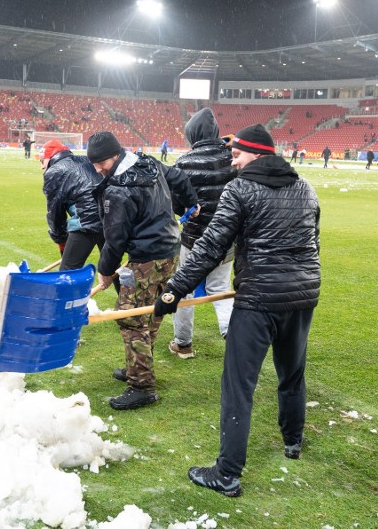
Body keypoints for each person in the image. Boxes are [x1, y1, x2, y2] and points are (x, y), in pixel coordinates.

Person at [155, 124, 320, 498]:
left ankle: (227, 473)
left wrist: (172, 292)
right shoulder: (305, 186)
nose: (232, 160)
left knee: (238, 387)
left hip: (259, 300)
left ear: (257, 154)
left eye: (237, 154)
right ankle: (292, 441)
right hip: (302, 296)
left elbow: (212, 246)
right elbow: (314, 242)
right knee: (292, 374)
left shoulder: (241, 188)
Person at [88, 131, 198, 410]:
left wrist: (106, 270)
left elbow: (115, 239)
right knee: (152, 312)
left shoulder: (118, 190)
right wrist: (191, 203)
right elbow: (180, 178)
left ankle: (142, 386)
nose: (99, 169)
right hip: (170, 249)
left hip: (147, 257)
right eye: (95, 164)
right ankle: (137, 367)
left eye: (103, 162)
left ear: (116, 154)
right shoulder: (147, 162)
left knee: (129, 318)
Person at [169, 108, 236, 359]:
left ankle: (183, 343)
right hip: (227, 237)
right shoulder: (234, 157)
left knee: (184, 288)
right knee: (220, 287)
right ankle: (232, 334)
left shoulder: (184, 162)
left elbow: (176, 205)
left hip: (194, 238)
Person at [41, 139, 104, 270]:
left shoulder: (53, 172)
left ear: (51, 156)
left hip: (87, 220)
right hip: (110, 215)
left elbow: (55, 212)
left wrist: (61, 240)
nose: (41, 166)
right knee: (112, 266)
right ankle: (129, 291)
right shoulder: (85, 159)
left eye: (42, 161)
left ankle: (68, 291)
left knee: (67, 271)